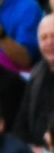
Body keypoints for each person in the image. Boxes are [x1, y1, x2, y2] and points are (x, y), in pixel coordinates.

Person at [12, 14, 54, 146]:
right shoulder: (37, 73)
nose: (49, 43)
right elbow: (21, 122)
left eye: (53, 36)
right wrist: (31, 150)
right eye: (44, 38)